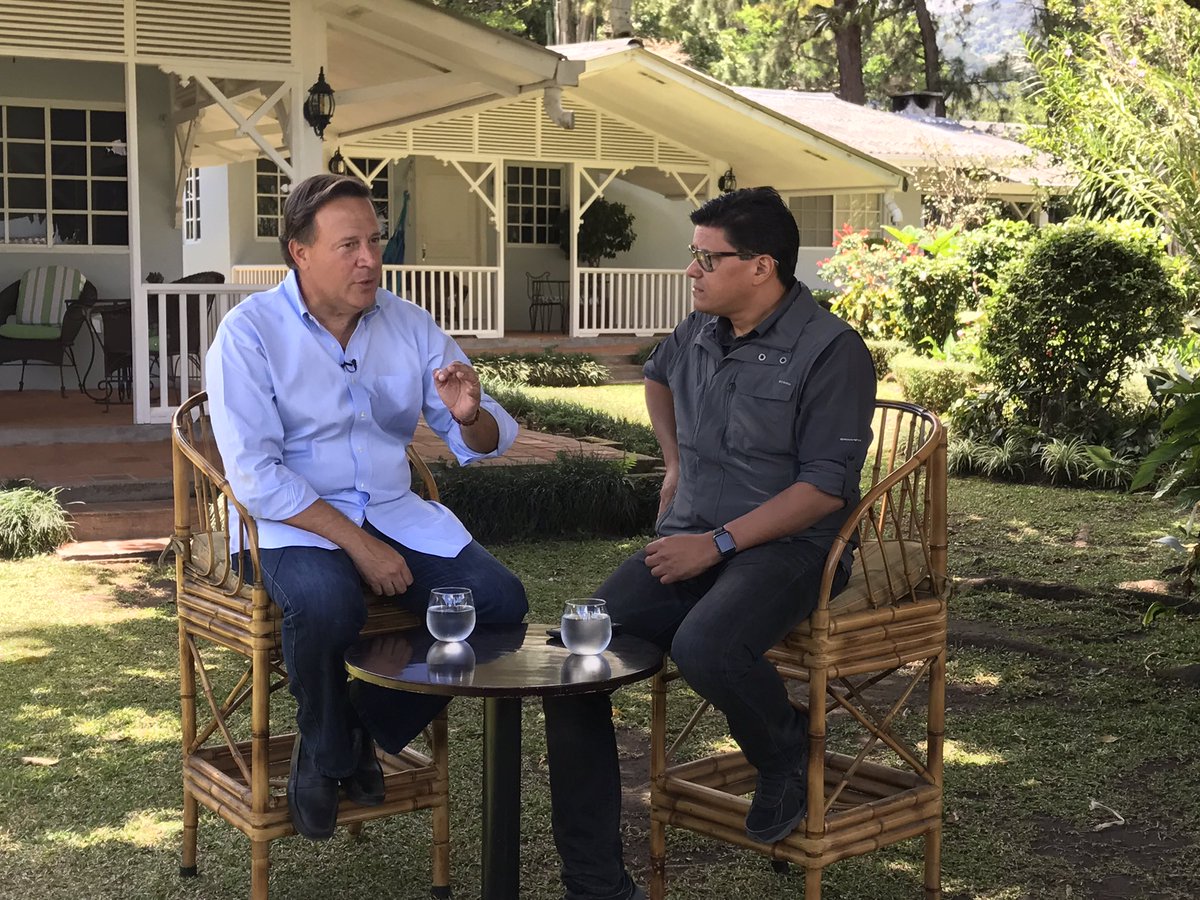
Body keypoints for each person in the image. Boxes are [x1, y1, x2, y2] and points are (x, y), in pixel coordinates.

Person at [542, 186, 876, 899]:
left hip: (792, 550)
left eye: (707, 259)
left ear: (761, 266)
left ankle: (784, 751)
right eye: (692, 255)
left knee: (705, 646)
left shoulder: (831, 350)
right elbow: (657, 377)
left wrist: (717, 544)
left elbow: (825, 489)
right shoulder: (699, 327)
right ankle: (596, 883)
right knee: (575, 655)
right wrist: (674, 462)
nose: (691, 271)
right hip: (692, 537)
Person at [205, 174, 527, 841]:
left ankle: (351, 730)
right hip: (292, 523)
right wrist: (358, 545)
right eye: (349, 245)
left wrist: (470, 416)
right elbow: (256, 475)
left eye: (375, 242)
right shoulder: (249, 333)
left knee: (499, 603)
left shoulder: (408, 324)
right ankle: (329, 755)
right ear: (300, 252)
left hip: (393, 509)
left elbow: (484, 437)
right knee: (328, 606)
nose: (370, 260)